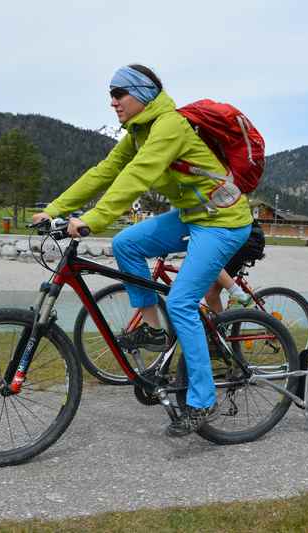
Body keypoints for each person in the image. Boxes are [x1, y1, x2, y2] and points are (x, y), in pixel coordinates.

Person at [32, 64, 253, 436]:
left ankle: (203, 399)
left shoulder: (169, 126)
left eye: (119, 94)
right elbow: (105, 172)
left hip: (224, 222)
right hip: (191, 216)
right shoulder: (138, 132)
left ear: (143, 94)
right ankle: (152, 330)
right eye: (110, 94)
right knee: (126, 243)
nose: (112, 101)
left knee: (182, 302)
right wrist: (54, 209)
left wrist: (94, 219)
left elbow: (137, 177)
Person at [203, 220, 266, 313]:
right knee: (210, 294)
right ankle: (221, 324)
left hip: (248, 240)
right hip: (240, 239)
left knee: (212, 264)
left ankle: (242, 298)